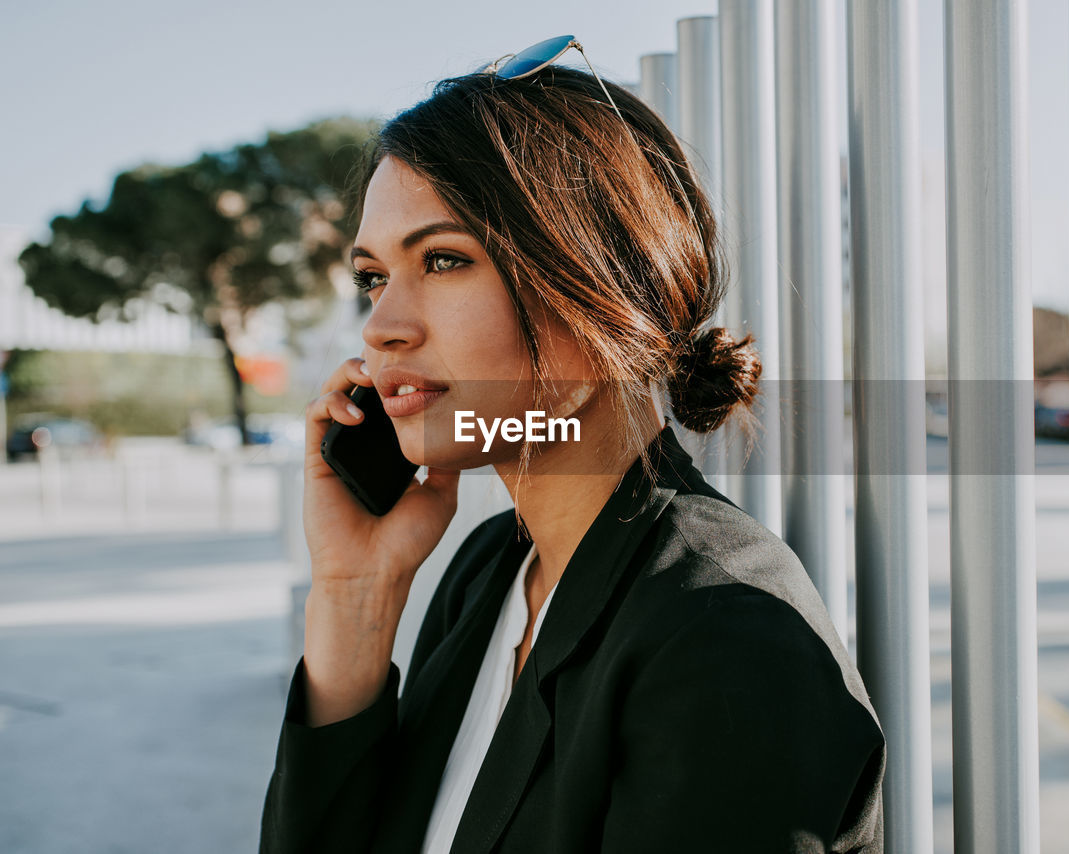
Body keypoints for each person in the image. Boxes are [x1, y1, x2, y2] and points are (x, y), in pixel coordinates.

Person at [259, 48, 884, 854]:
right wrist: (353, 597)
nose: (382, 326)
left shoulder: (723, 637)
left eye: (444, 260)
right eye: (373, 277)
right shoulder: (489, 570)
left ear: (600, 292)